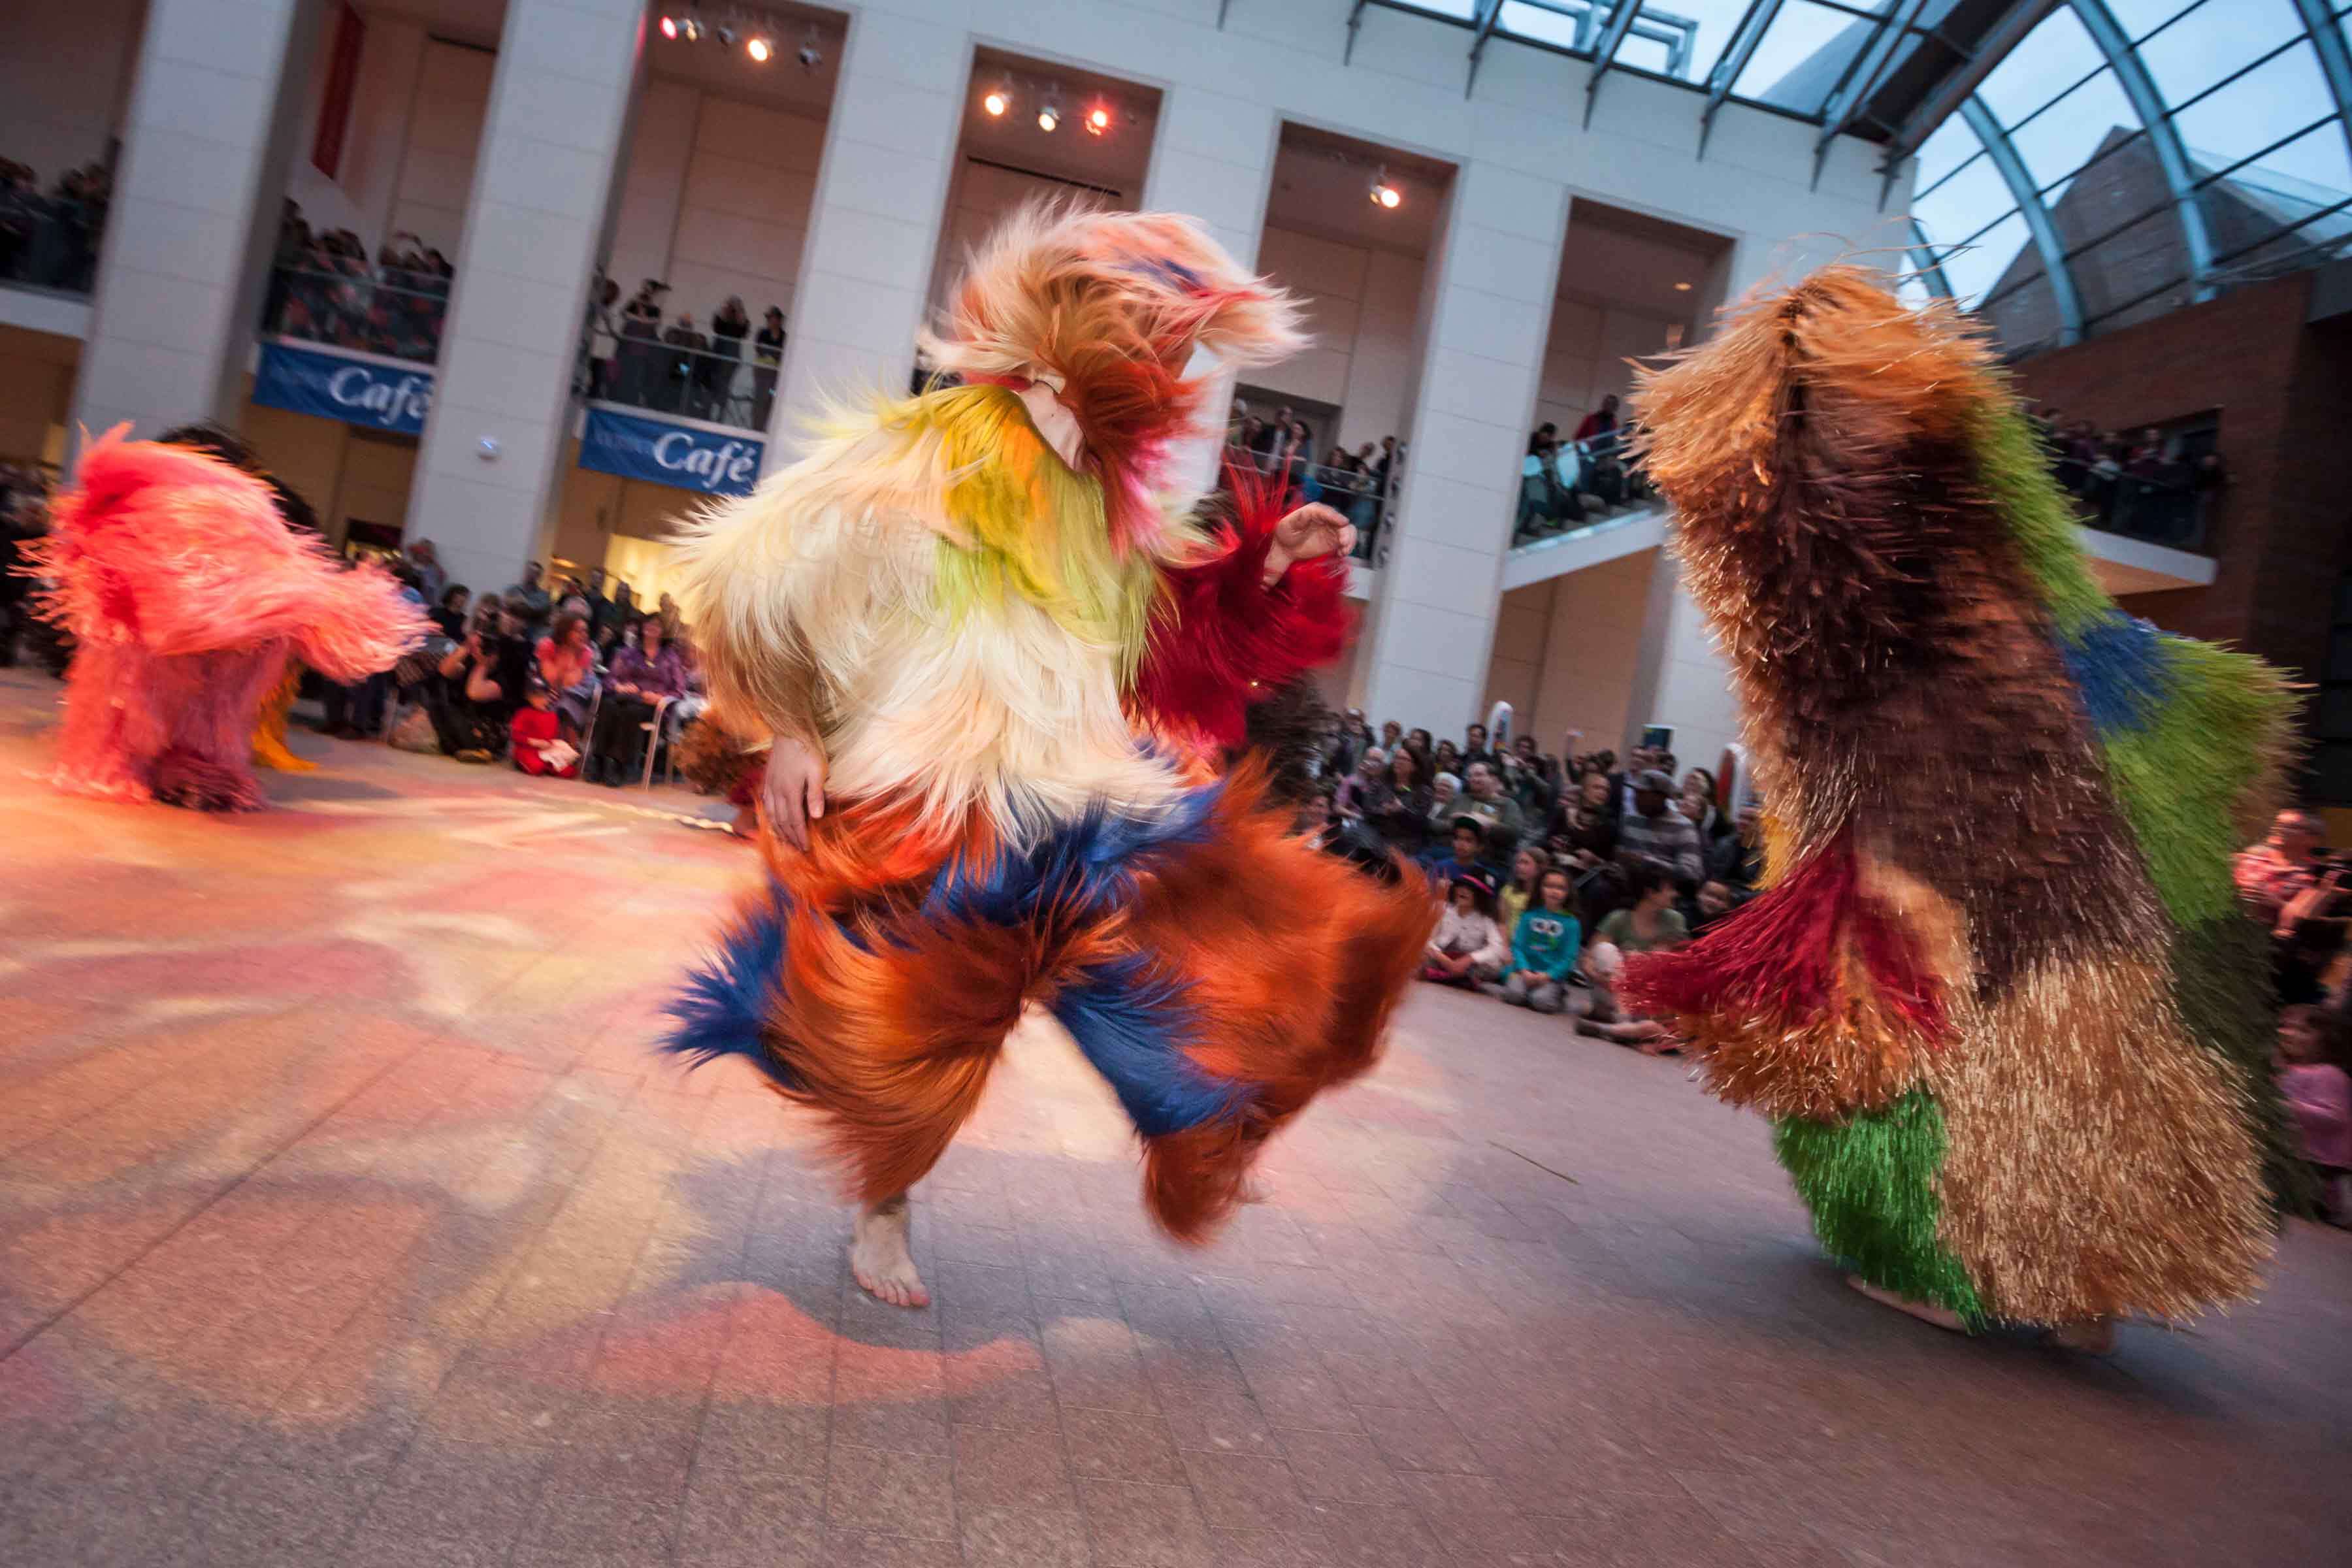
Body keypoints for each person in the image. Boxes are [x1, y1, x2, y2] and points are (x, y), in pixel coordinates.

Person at [659, 206, 1435, 1310]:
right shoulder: (944, 440)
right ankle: (884, 1205)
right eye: (1161, 338)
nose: (1175, 367)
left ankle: (1202, 1120)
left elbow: (1164, 636)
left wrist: (1265, 571)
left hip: (1082, 801)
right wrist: (788, 728)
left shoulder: (1106, 496)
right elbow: (761, 574)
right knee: (914, 1044)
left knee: (1195, 982)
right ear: (1080, 325)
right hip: (943, 806)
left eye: (1182, 347)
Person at [1616, 265, 2292, 1352]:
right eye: (1827, 405)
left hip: (1996, 812)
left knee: (2025, 1036)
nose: (1855, 425)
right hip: (1968, 815)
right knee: (1988, 1038)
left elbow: (1997, 666)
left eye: (1864, 401)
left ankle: (2027, 1265)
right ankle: (2021, 1269)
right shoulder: (1844, 530)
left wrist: (1905, 840)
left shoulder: (1927, 524)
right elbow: (1827, 694)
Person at [31, 431, 425, 808]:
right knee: (153, 686)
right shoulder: (162, 538)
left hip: (229, 623)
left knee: (200, 691)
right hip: (184, 618)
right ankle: (173, 759)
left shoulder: (250, 535)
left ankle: (190, 760)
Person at [587, 613, 689, 785]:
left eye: (657, 625)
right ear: (643, 628)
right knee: (608, 705)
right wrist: (619, 687)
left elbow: (679, 690)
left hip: (652, 706)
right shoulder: (629, 652)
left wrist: (659, 698)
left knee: (631, 712)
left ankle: (619, 765)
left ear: (663, 631)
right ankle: (599, 761)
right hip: (625, 698)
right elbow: (610, 679)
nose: (652, 628)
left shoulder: (670, 657)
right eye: (649, 624)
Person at [2277, 1005, 2352, 1225]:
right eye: (2285, 1027)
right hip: (2294, 1159)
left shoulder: (2328, 1074)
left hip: (2318, 1165)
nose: (2290, 1034)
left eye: (2303, 1031)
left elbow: (2335, 1117)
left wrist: (2288, 1106)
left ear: (2326, 1040)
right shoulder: (2287, 1070)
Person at [1497, 866, 1582, 1014]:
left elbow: (1569, 957)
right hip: (1525, 971)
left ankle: (1557, 994)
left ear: (1568, 893)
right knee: (1514, 995)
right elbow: (1518, 946)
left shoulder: (1571, 923)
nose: (1554, 891)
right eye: (1549, 886)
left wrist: (1548, 975)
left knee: (1540, 1002)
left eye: (1560, 888)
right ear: (1540, 888)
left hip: (1550, 977)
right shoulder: (1529, 916)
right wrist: (1524, 970)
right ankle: (1529, 991)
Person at [1616, 768, 1703, 881]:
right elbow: (1620, 855)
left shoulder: (1682, 827)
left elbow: (1692, 874)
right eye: (1636, 793)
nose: (1636, 798)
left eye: (1642, 794)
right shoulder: (1631, 820)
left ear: (1661, 797)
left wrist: (1648, 862)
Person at [1423, 872, 1507, 987]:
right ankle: (1453, 976)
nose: (1463, 891)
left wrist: (1469, 959)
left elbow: (1497, 948)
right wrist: (1444, 960)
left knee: (1492, 967)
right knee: (1422, 958)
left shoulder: (1486, 919)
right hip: (1441, 956)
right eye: (1460, 887)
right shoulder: (1443, 909)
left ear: (1479, 896)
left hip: (1469, 963)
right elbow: (1427, 939)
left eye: (1469, 889)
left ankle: (1454, 977)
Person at [535, 610, 601, 737]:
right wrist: (567, 652)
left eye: (585, 631)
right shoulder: (547, 645)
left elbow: (571, 683)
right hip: (546, 686)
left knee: (567, 700)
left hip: (577, 692)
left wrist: (572, 652)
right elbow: (550, 678)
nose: (584, 635)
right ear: (565, 631)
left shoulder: (586, 652)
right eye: (578, 631)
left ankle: (565, 746)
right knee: (559, 700)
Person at [509, 676, 580, 777]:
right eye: (537, 696)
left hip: (545, 751)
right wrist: (534, 742)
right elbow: (516, 736)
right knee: (536, 767)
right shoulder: (524, 713)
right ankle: (526, 763)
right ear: (529, 697)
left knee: (570, 772)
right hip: (527, 749)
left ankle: (548, 766)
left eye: (544, 696)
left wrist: (558, 747)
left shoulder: (552, 716)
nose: (542, 700)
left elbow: (551, 737)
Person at [1498, 845, 1549, 934]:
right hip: (1507, 941)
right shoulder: (1508, 891)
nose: (1519, 866)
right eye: (1518, 863)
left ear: (1539, 868)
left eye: (1525, 863)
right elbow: (1501, 923)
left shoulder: (1547, 896)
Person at [1333, 745, 1392, 821]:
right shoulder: (1351, 781)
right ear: (1364, 761)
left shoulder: (1383, 786)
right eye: (1370, 759)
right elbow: (1337, 807)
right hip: (1351, 824)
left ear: (1382, 766)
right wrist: (1358, 817)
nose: (1372, 764)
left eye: (1377, 761)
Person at [752, 306, 785, 429]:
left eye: (773, 318)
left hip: (775, 375)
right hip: (761, 373)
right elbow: (759, 349)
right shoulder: (762, 333)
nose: (771, 321)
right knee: (759, 398)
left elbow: (782, 354)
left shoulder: (784, 336)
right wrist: (772, 353)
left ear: (779, 320)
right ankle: (756, 427)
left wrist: (770, 352)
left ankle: (766, 428)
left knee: (771, 399)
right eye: (770, 319)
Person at [506, 561, 552, 630]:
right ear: (525, 572)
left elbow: (539, 610)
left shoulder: (544, 596)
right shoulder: (513, 589)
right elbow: (506, 603)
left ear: (539, 577)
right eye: (530, 571)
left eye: (535, 573)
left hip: (531, 632)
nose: (531, 575)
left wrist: (523, 601)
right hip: (510, 629)